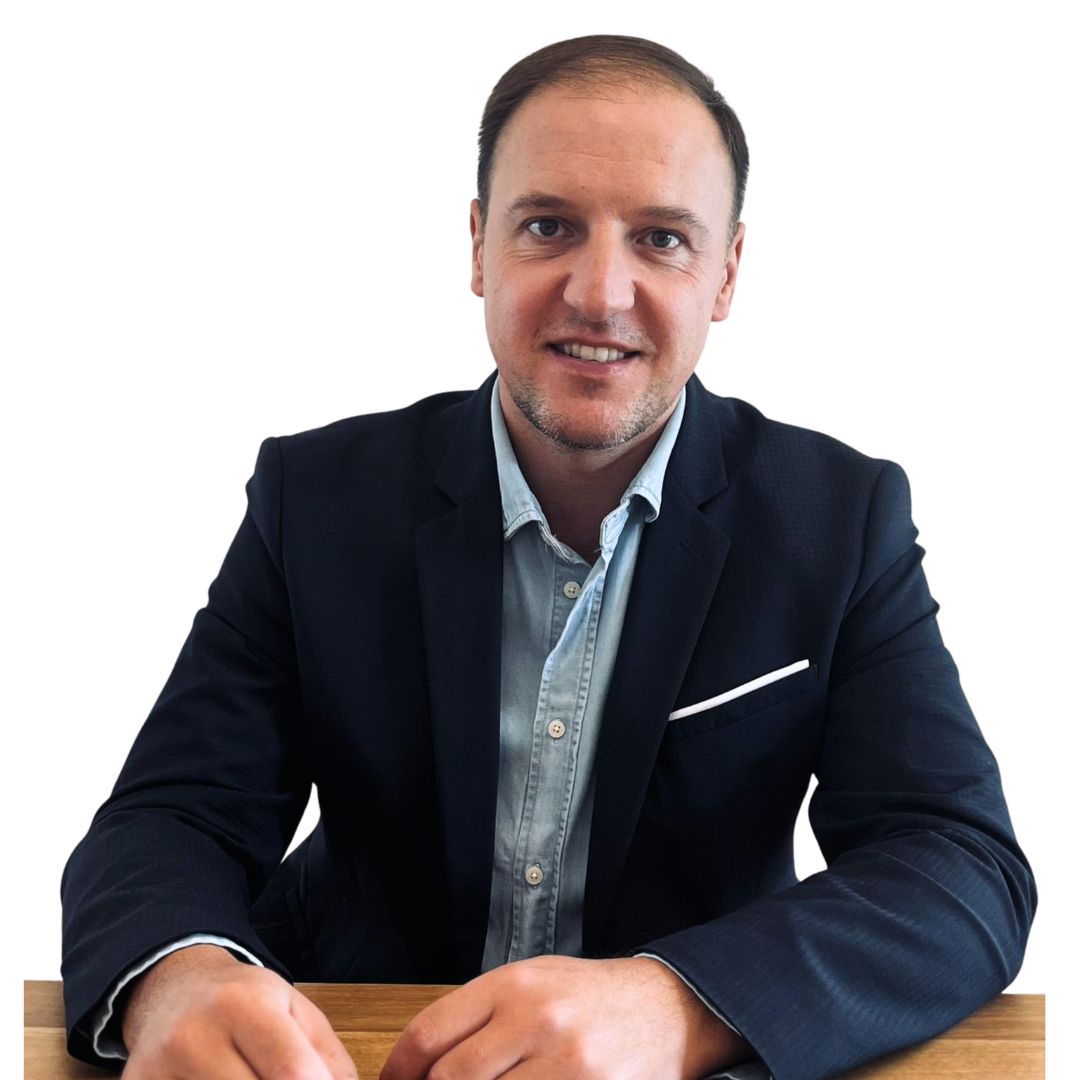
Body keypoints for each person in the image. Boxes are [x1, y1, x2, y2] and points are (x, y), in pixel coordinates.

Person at [60, 34, 1036, 1080]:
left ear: (725, 274)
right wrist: (179, 974)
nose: (600, 293)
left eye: (661, 238)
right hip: (351, 1055)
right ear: (480, 247)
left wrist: (678, 1006)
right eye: (548, 227)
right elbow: (173, 817)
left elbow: (959, 868)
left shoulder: (839, 520)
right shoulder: (317, 499)